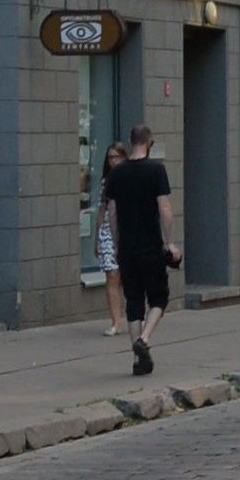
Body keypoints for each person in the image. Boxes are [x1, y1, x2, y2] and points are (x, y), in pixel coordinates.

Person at [102, 122, 181, 377]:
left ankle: (139, 361)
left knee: (133, 301)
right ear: (149, 142)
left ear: (131, 141)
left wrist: (115, 244)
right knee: (159, 297)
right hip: (150, 247)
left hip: (127, 249)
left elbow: (112, 212)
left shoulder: (117, 173)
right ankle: (144, 340)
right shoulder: (156, 170)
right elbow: (165, 209)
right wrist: (170, 242)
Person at [96, 143, 128, 335]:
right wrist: (96, 236)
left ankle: (132, 316)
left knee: (126, 276)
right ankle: (116, 321)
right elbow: (102, 208)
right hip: (108, 231)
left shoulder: (130, 179)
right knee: (112, 275)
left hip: (127, 230)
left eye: (117, 157)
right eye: (110, 157)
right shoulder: (105, 181)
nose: (113, 161)